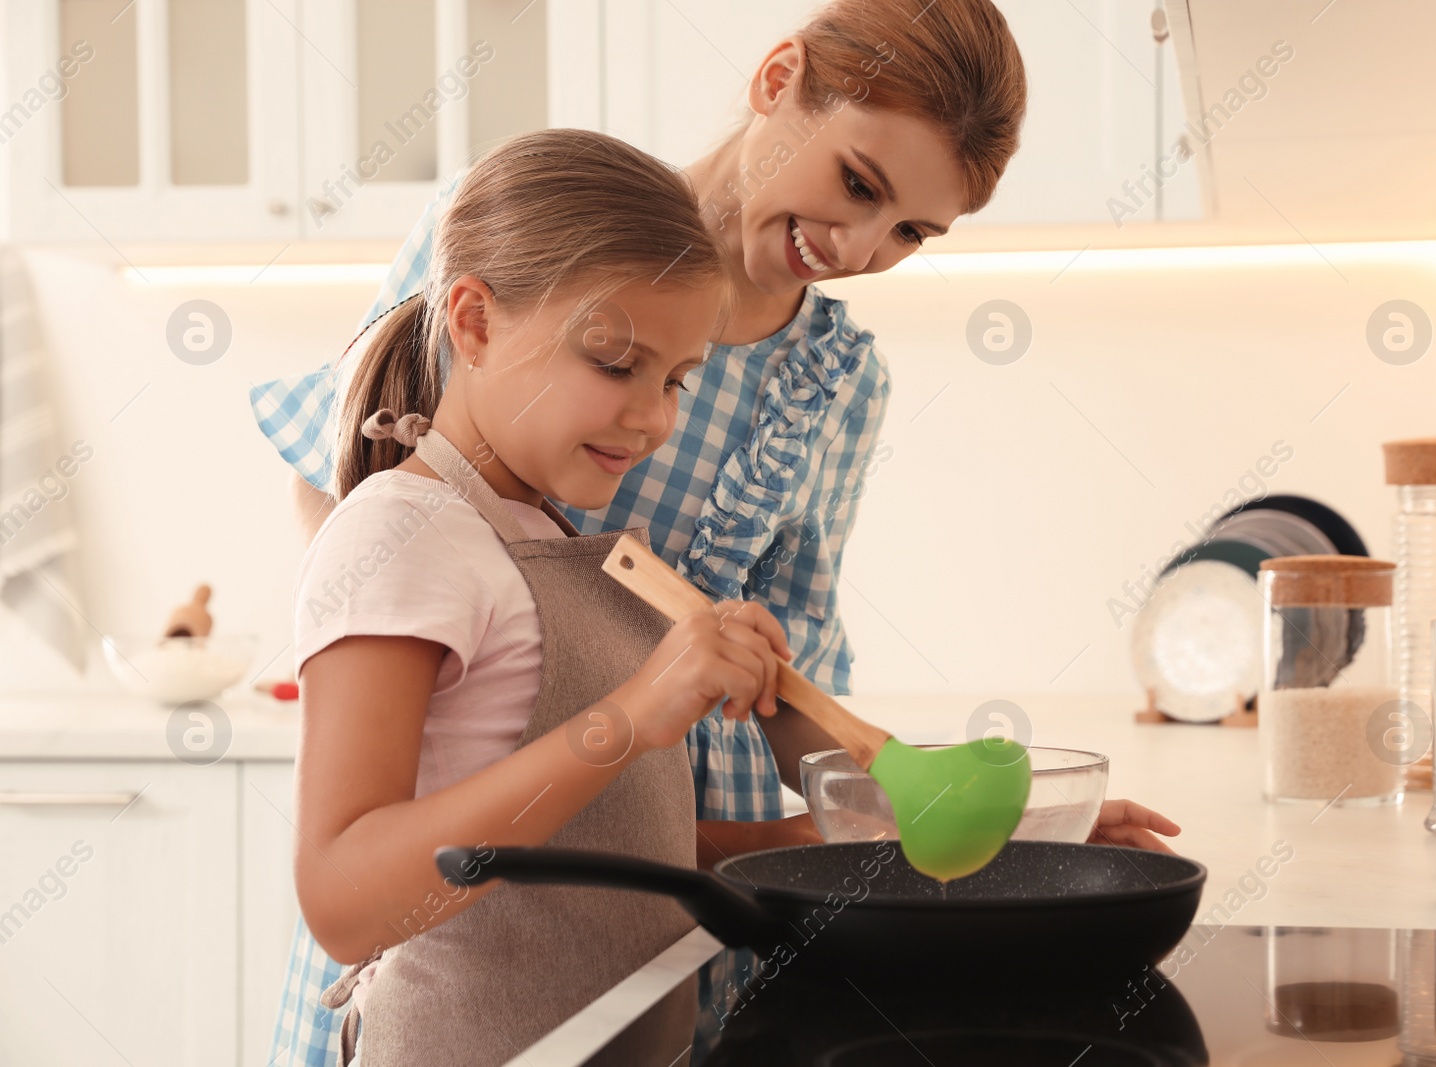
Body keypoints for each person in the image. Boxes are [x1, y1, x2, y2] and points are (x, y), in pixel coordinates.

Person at [253, 2, 1178, 1062]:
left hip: (671, 872)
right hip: (472, 897)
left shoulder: (836, 380)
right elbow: (357, 512)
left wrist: (967, 824)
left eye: (913, 233)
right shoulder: (538, 228)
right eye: (859, 185)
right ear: (778, 78)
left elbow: (785, 680)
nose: (859, 246)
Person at [289, 127, 791, 1065]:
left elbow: (594, 852)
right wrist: (633, 715)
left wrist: (853, 842)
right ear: (473, 321)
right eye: (614, 362)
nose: (654, 419)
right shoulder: (402, 535)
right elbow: (344, 900)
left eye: (676, 379)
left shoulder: (535, 532)